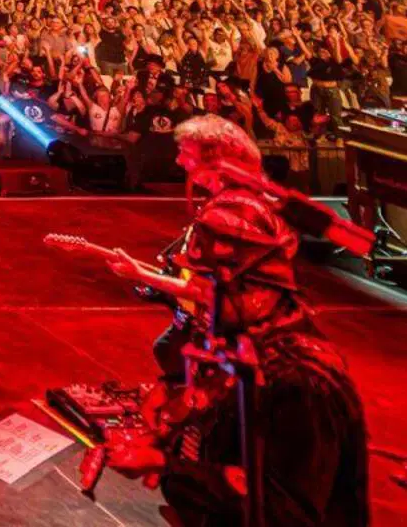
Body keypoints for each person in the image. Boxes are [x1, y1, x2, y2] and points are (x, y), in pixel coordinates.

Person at [99, 115, 369, 525]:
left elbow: (284, 511)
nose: (198, 296)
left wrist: (169, 468)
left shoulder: (302, 382)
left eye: (210, 283)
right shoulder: (239, 348)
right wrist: (169, 423)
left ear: (256, 289)